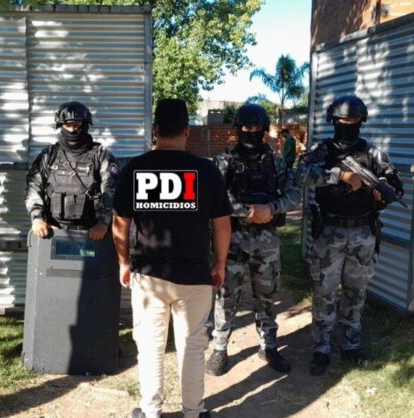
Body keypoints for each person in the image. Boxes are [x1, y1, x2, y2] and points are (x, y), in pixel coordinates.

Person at [112, 99, 232, 418]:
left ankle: (151, 412)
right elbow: (222, 225)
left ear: (155, 130)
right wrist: (220, 264)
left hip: (149, 276)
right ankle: (193, 412)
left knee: (150, 346)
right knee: (192, 347)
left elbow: (120, 224)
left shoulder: (135, 169)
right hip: (194, 276)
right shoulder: (206, 170)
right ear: (187, 130)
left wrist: (123, 262)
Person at [295, 94, 404, 376]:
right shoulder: (322, 150)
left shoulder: (372, 153)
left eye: (354, 120)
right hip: (329, 232)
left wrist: (383, 191)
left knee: (356, 293)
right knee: (325, 292)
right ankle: (321, 349)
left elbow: (394, 183)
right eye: (343, 120)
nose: (349, 124)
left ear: (361, 121)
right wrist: (338, 176)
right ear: (334, 121)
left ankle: (350, 345)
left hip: (362, 232)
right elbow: (301, 175)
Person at [205, 103, 301, 376]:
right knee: (226, 295)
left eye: (258, 127)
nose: (253, 131)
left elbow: (295, 194)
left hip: (266, 240)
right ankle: (220, 349)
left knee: (267, 296)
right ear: (238, 129)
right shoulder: (223, 162)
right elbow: (215, 197)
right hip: (231, 238)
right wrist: (248, 211)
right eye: (248, 127)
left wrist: (271, 208)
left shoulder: (276, 161)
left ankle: (268, 346)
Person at [25, 101, 118, 240]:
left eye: (77, 125)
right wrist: (37, 218)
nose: (72, 130)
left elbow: (110, 189)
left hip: (91, 233)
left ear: (85, 125)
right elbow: (33, 185)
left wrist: (103, 222)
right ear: (60, 126)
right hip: (54, 232)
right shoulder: (49, 155)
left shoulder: (100, 155)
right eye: (67, 125)